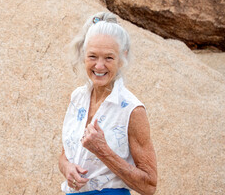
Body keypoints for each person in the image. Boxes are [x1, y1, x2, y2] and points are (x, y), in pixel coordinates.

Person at [59, 12, 157, 195]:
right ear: (83, 55)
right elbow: (65, 155)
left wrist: (102, 150)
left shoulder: (132, 109)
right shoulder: (77, 98)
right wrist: (67, 168)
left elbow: (149, 185)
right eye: (93, 56)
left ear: (122, 57)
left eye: (109, 58)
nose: (99, 66)